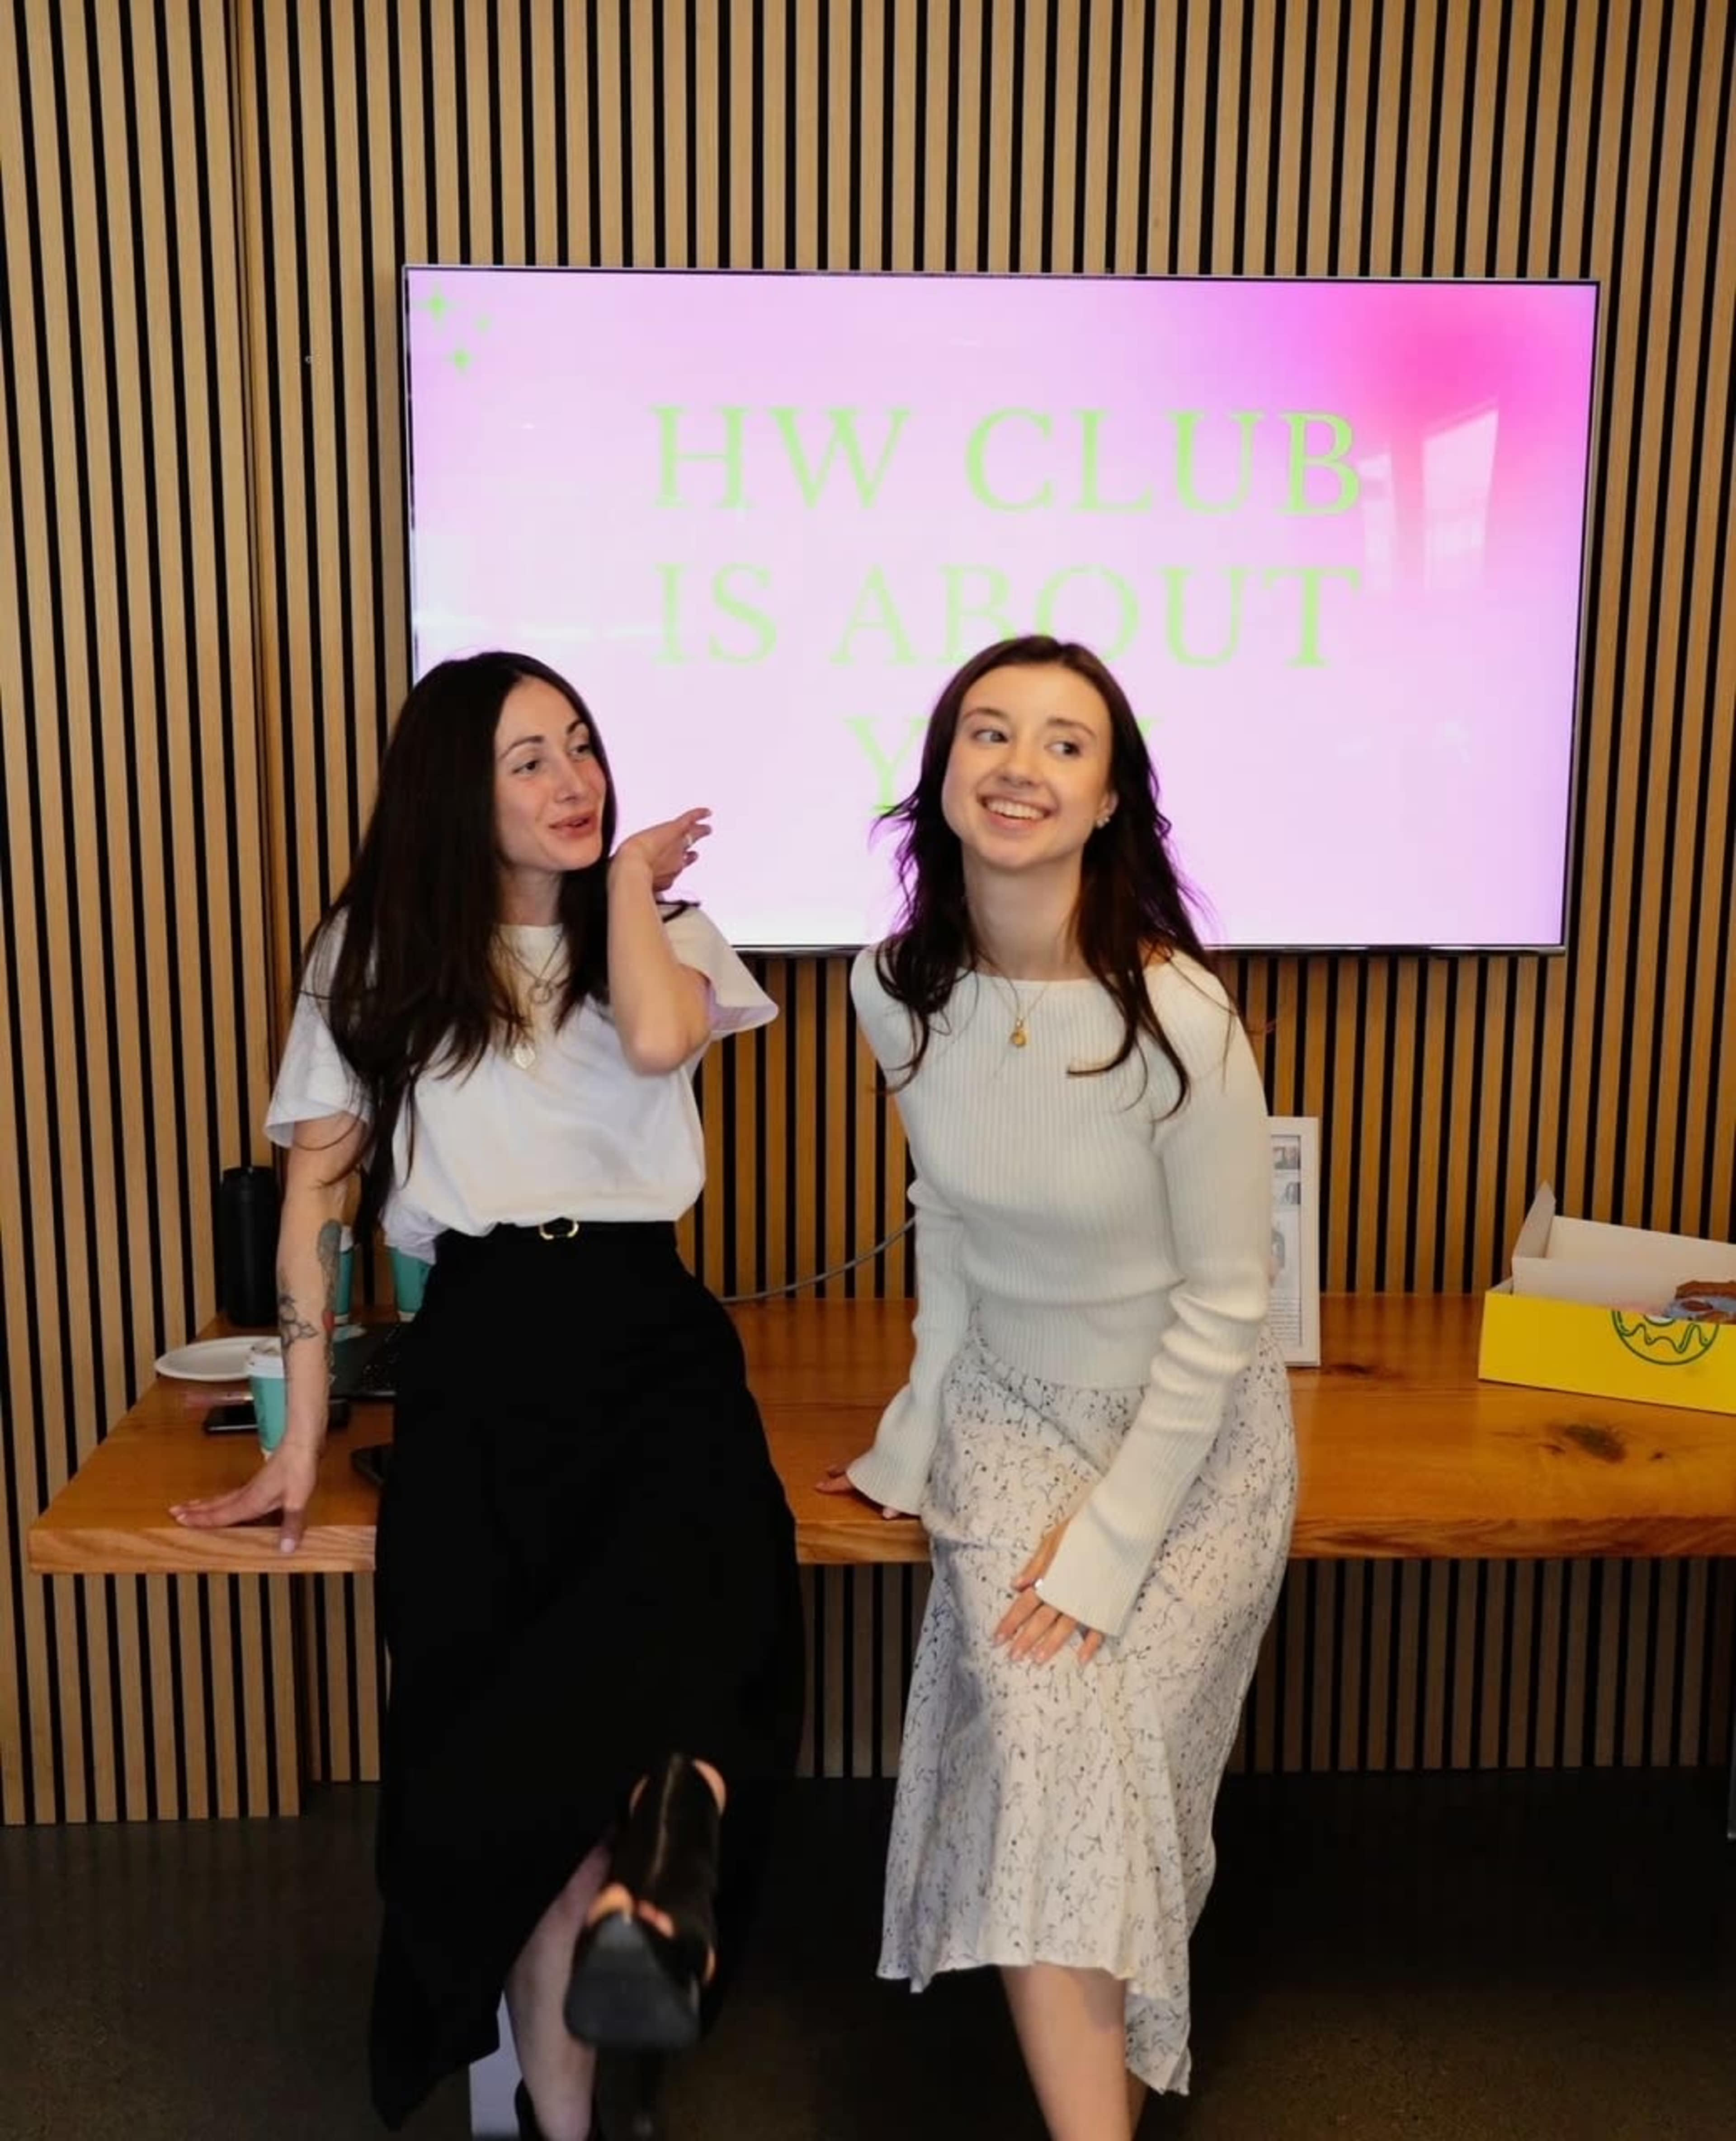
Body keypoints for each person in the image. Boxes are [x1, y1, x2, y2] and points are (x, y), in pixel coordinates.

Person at [173, 652, 803, 2141]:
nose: (573, 778)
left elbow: (657, 1042)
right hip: (485, 1346)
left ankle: (673, 1865)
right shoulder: (376, 948)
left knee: (728, 1629)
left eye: (580, 746)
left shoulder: (664, 932)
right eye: (529, 757)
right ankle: (564, 2119)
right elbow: (316, 1203)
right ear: (459, 786)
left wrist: (636, 892)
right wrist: (303, 1432)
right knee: (519, 1788)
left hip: (650, 1327)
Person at [818, 634, 1296, 2140]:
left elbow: (1228, 1313)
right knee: (1044, 1736)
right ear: (944, 773)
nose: (1020, 765)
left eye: (1065, 743)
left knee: (1100, 1732)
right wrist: (915, 1435)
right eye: (990, 732)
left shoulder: (1180, 1025)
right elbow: (949, 1225)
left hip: (1192, 1438)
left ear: (1109, 801)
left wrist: (1110, 1546)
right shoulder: (894, 991)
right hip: (1013, 1408)